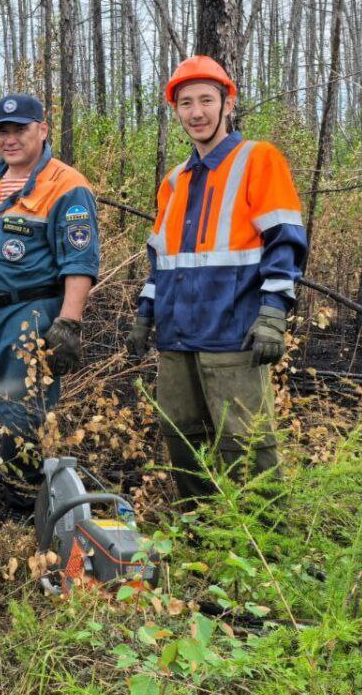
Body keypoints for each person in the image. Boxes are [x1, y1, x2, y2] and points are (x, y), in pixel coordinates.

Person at [125, 55, 307, 501]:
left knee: (246, 445)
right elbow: (161, 261)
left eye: (207, 100)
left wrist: (273, 315)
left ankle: (267, 549)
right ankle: (199, 538)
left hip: (234, 333)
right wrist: (144, 316)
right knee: (182, 441)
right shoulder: (174, 180)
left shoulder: (257, 159)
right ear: (175, 111)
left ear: (229, 103)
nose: (197, 112)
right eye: (186, 103)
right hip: (176, 337)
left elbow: (285, 241)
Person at [0, 94, 99, 507]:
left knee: (20, 410)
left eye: (20, 129)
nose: (10, 139)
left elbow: (79, 261)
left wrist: (69, 323)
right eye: (2, 130)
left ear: (42, 130)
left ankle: (19, 501)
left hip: (28, 316)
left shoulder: (67, 186)